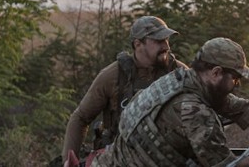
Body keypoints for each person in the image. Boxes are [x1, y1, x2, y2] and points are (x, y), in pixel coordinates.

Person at [92, 37, 249, 167]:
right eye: (235, 77)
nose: (237, 83)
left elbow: (241, 107)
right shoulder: (195, 111)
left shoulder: (182, 80)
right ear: (216, 73)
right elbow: (227, 165)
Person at [61, 16, 188, 162]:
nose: (166, 46)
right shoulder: (113, 76)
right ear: (138, 44)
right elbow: (80, 118)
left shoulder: (179, 73)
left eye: (167, 40)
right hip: (120, 159)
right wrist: (69, 161)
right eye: (159, 41)